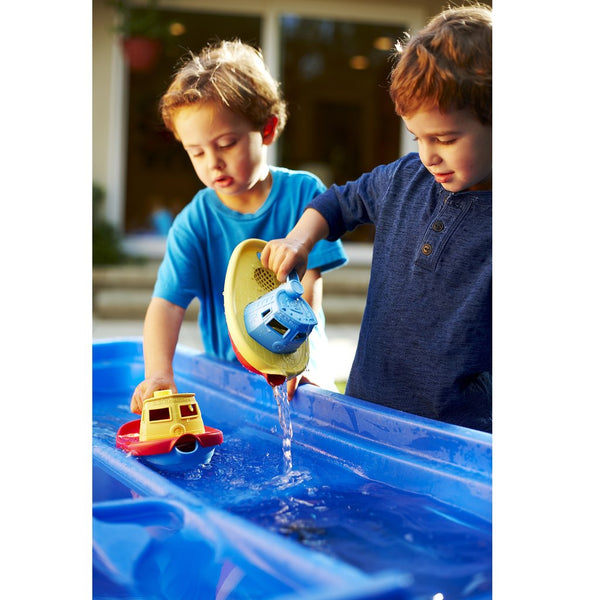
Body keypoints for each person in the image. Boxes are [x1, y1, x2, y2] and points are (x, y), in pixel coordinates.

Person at [261, 5, 492, 432]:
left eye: (445, 138)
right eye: (418, 137)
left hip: (456, 438)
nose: (429, 155)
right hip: (367, 414)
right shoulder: (404, 177)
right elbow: (335, 203)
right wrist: (299, 240)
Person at [130, 40, 347, 414]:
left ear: (267, 129)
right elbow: (166, 304)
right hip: (229, 378)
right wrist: (159, 373)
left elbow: (309, 284)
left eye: (226, 144)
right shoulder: (194, 223)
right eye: (196, 152)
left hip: (299, 362)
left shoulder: (303, 194)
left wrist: (302, 359)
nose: (213, 163)